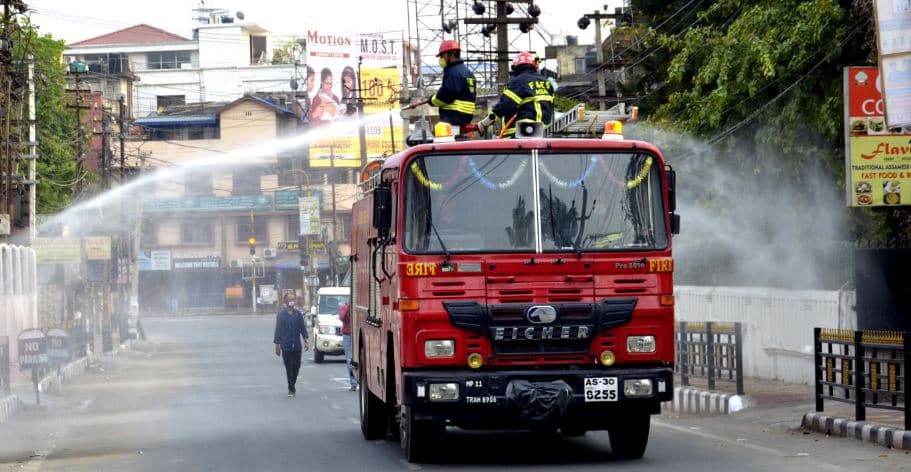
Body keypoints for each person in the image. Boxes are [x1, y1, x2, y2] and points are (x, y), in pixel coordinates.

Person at [478, 51, 554, 138]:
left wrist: (484, 123)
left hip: (521, 133)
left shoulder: (518, 81)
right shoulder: (546, 83)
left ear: (516, 67)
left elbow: (504, 106)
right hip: (544, 132)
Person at [425, 40, 476, 130]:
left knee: (439, 135)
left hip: (453, 116)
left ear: (451, 55)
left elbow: (446, 96)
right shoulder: (467, 72)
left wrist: (432, 100)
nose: (440, 59)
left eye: (442, 55)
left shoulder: (454, 72)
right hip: (466, 116)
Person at [273, 293, 310, 396]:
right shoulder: (281, 315)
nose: (292, 301)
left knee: (296, 367)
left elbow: (302, 328)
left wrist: (306, 340)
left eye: (293, 299)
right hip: (286, 346)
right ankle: (291, 388)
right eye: (290, 299)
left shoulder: (298, 314)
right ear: (285, 302)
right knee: (289, 367)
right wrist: (277, 345)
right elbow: (278, 331)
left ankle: (292, 382)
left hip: (297, 346)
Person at [338, 302, 357, 391]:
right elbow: (342, 317)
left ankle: (358, 379)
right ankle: (353, 382)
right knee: (349, 360)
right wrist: (348, 309)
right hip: (347, 336)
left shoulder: (356, 306)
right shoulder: (344, 307)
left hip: (356, 335)